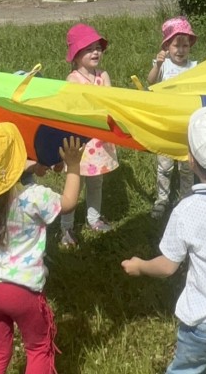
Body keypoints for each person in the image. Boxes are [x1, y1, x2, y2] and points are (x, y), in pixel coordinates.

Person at [122, 107, 206, 374]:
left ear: (190, 161)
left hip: (201, 323)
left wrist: (140, 266)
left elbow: (167, 266)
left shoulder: (187, 210)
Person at [0, 123, 85, 374]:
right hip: (22, 291)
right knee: (38, 348)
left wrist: (33, 166)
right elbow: (69, 203)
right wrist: (74, 165)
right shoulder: (33, 198)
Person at [60, 23, 120, 247]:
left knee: (96, 182)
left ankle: (93, 219)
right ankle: (66, 226)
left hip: (100, 140)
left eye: (98, 48)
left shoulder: (102, 75)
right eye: (88, 49)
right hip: (80, 141)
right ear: (76, 55)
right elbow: (73, 108)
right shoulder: (73, 80)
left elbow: (110, 100)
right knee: (74, 182)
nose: (95, 52)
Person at [147, 17, 198, 220]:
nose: (181, 50)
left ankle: (187, 199)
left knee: (187, 166)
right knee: (165, 166)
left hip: (186, 124)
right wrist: (158, 65)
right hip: (165, 124)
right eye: (176, 45)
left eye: (185, 45)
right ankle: (162, 199)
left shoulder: (194, 67)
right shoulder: (164, 65)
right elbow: (151, 82)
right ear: (167, 46)